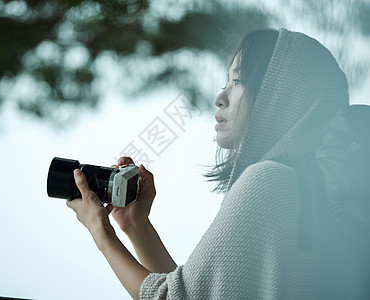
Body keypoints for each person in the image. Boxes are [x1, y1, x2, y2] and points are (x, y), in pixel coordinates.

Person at [66, 28, 350, 299]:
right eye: (224, 82)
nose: (220, 98)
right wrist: (136, 226)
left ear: (281, 92)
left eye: (238, 81)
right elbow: (199, 292)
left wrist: (101, 231)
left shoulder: (269, 180)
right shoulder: (305, 184)